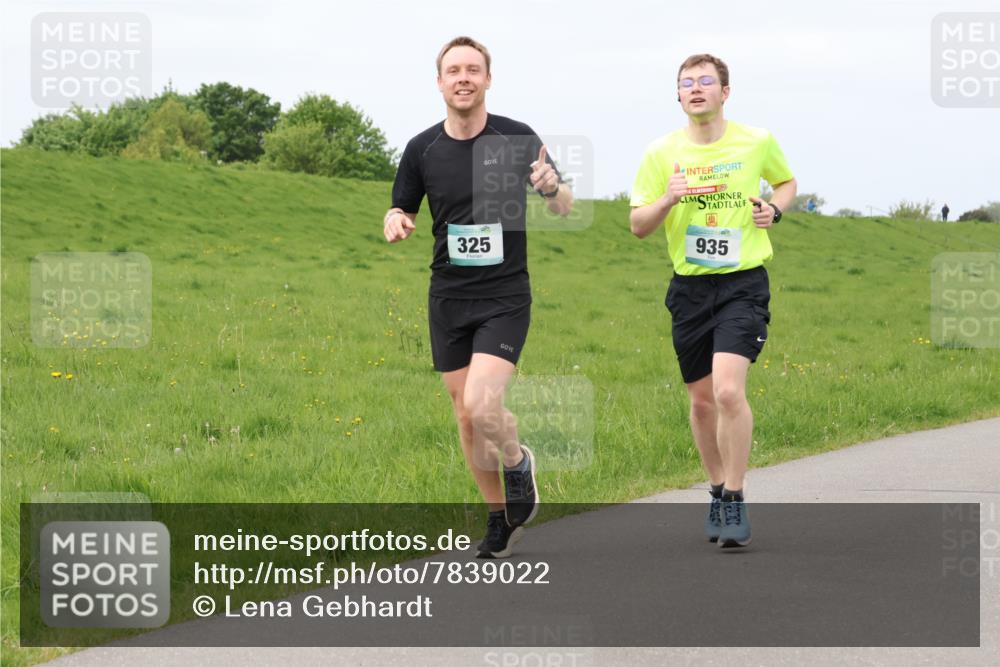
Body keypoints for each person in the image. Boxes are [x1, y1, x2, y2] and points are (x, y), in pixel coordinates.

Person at [384, 36, 573, 558]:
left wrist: (551, 186)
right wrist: (395, 220)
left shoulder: (517, 138)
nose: (463, 77)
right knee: (466, 416)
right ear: (439, 82)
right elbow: (402, 208)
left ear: (488, 79)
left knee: (481, 402)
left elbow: (563, 205)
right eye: (454, 70)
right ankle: (498, 518)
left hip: (504, 295)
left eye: (473, 69)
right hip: (448, 296)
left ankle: (517, 462)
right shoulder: (421, 148)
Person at [629, 53, 797, 548]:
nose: (696, 89)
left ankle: (737, 498)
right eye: (687, 83)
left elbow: (786, 182)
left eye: (706, 81)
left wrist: (774, 210)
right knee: (702, 402)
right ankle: (718, 489)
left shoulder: (756, 141)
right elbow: (638, 225)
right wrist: (668, 198)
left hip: (743, 283)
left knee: (727, 391)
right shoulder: (661, 153)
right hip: (689, 289)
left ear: (725, 92)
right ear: (678, 95)